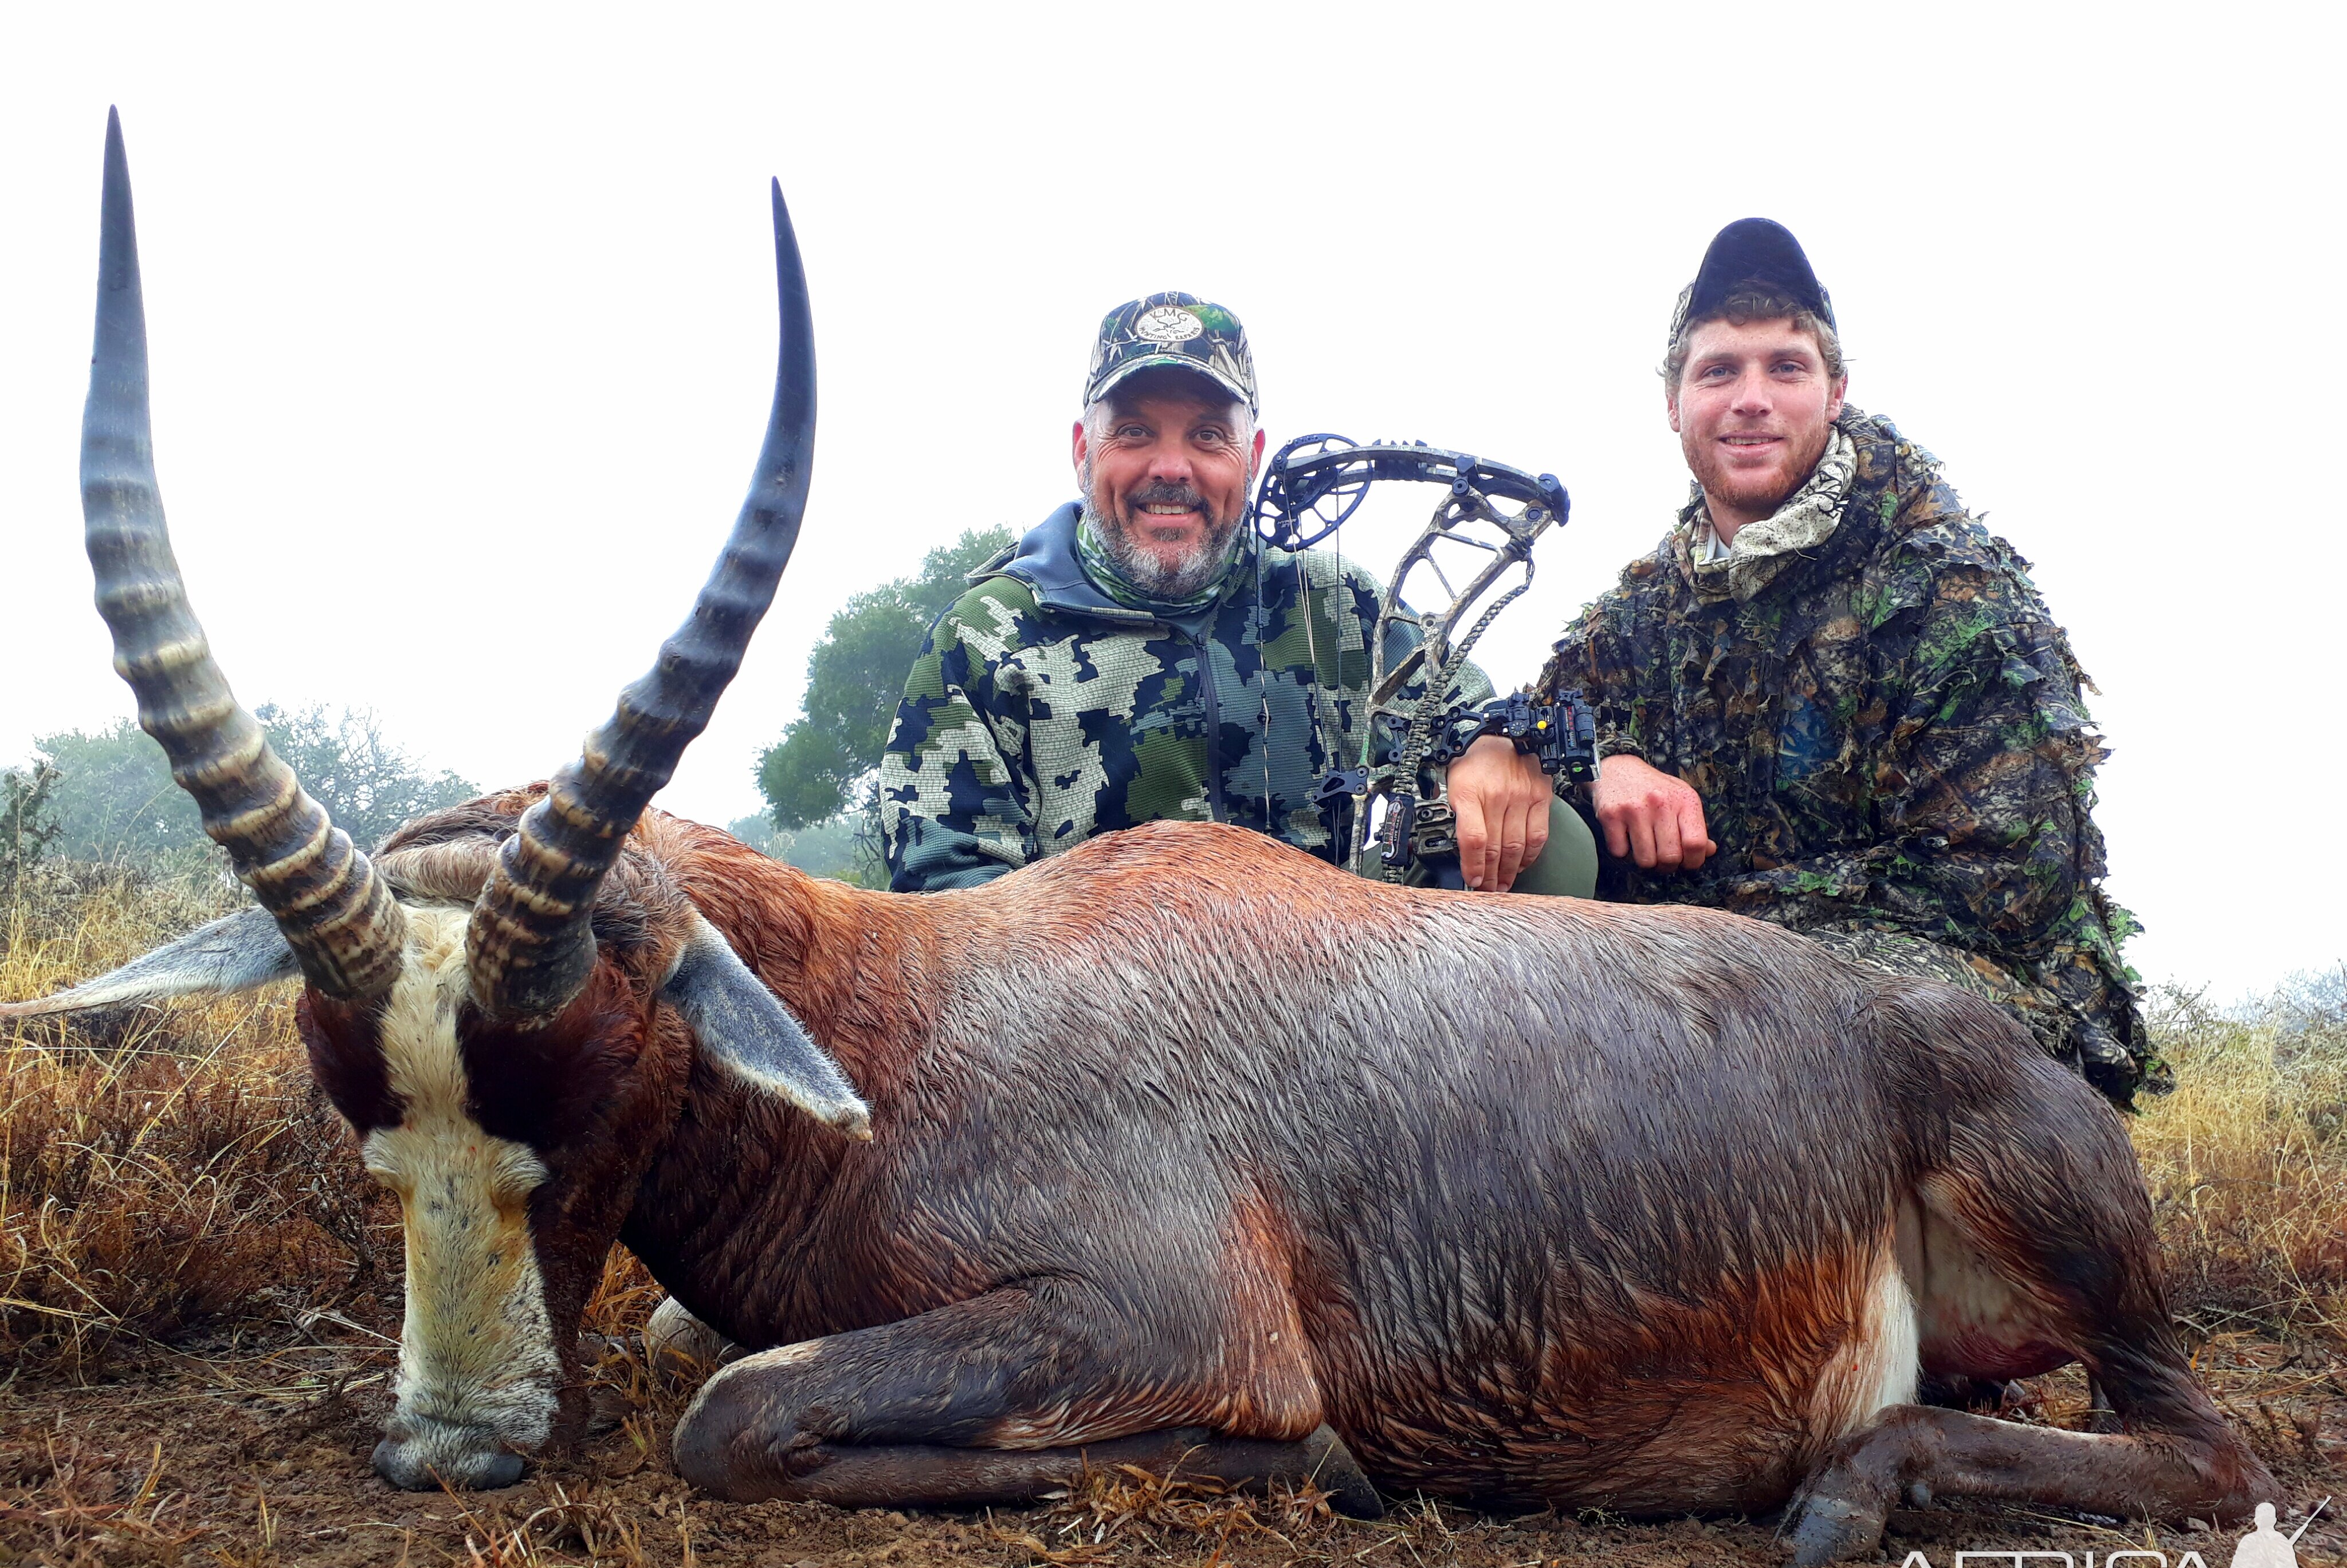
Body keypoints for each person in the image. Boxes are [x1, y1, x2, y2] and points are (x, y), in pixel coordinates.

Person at [1536, 220, 2158, 1104]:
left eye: (1786, 368)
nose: (1752, 398)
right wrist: (1604, 763)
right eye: (1718, 370)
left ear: (1834, 394)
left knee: (1825, 1038)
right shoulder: (1643, 609)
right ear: (1673, 404)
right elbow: (1536, 716)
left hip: (1972, 1020)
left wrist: (1699, 939)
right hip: (1709, 1004)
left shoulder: (1950, 590)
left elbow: (1995, 894)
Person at [879, 292, 1589, 895]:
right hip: (1093, 1031)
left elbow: (1466, 706)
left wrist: (1491, 747)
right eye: (1133, 433)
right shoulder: (982, 638)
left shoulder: (1338, 605)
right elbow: (944, 893)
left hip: (1340, 1004)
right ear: (1080, 451)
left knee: (1552, 839)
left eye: (1207, 437)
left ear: (1249, 460)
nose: (1171, 467)